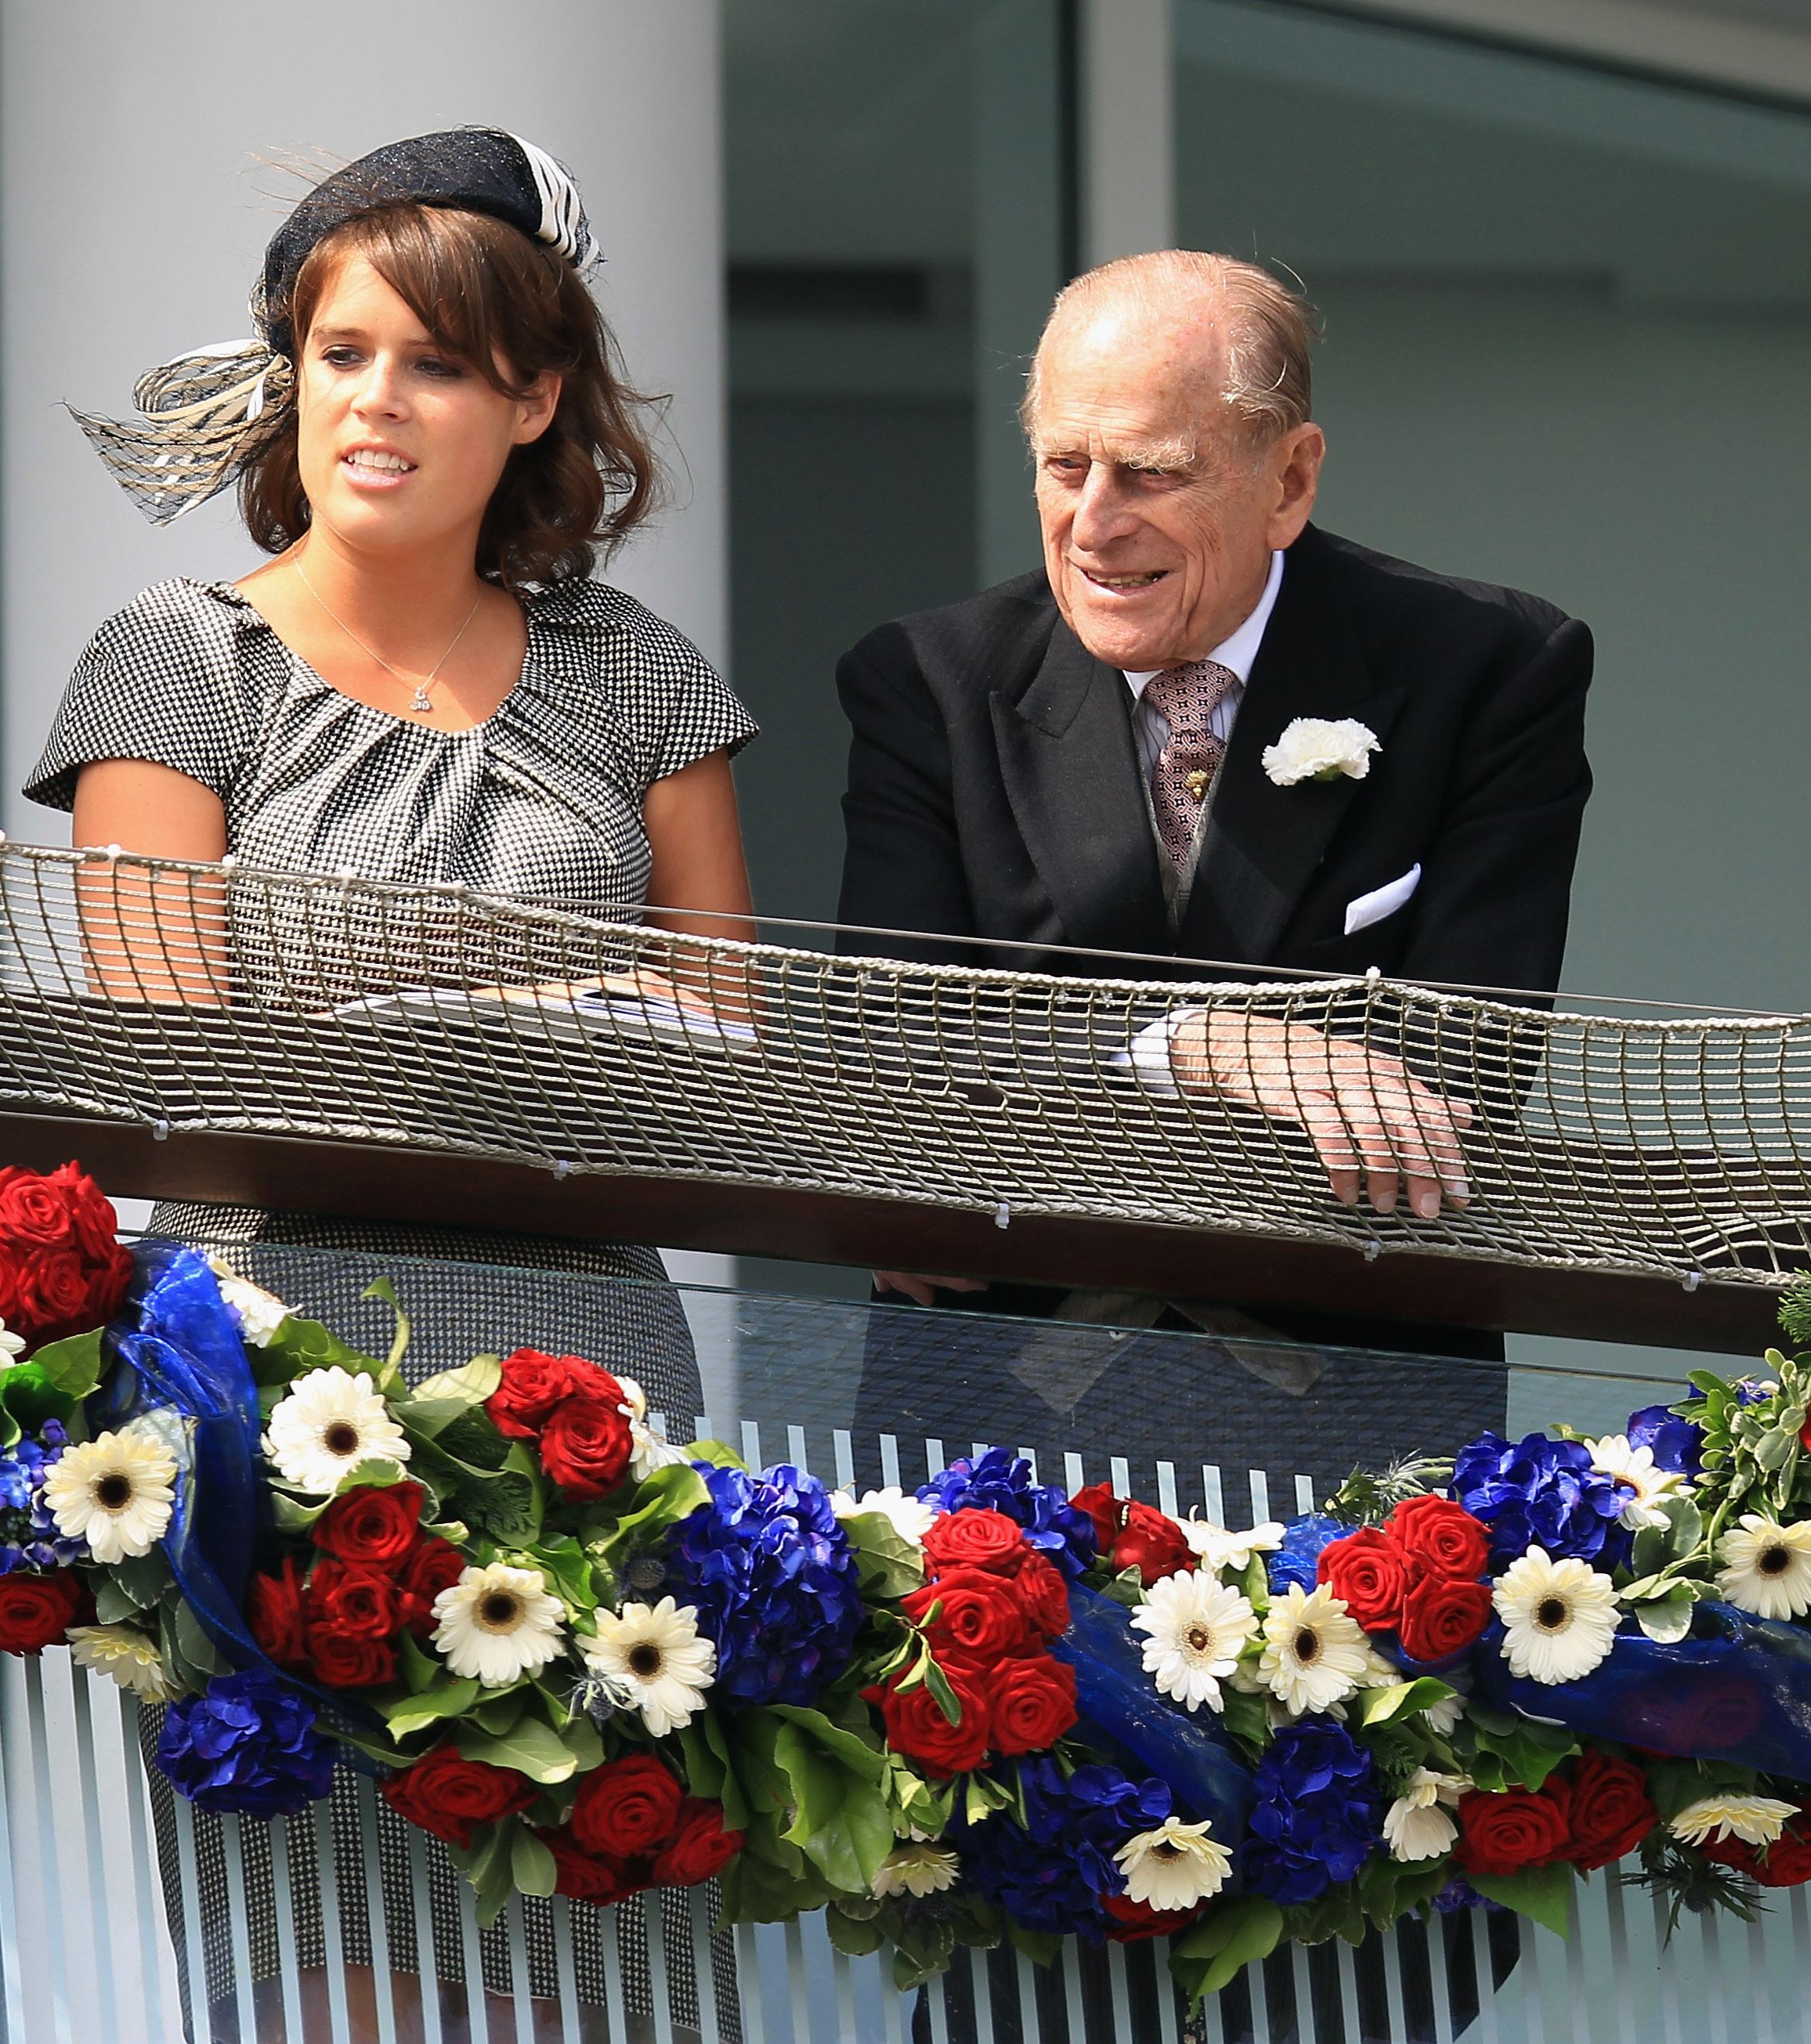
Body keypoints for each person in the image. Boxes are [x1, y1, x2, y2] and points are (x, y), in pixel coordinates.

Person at [31, 128, 756, 2041]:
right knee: (320, 1970)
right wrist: (553, 1003)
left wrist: (387, 1004)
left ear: (529, 399)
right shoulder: (173, 661)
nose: (374, 399)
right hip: (273, 1369)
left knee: (589, 1958)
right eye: (341, 351)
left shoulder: (639, 676)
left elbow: (735, 1049)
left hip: (591, 1380)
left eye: (433, 362)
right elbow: (175, 1041)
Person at [840, 251, 1581, 2040]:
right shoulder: (926, 683)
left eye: (1151, 471)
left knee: (1354, 1982)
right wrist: (1210, 1047)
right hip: (1001, 1456)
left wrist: (1069, 1088)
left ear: (1291, 477)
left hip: (1349, 1476)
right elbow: (896, 1070)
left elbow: (1463, 1072)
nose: (1093, 519)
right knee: (1018, 1979)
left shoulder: (1486, 665)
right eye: (1060, 466)